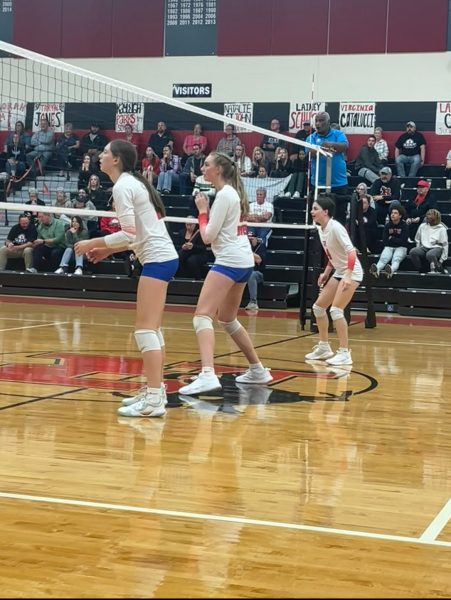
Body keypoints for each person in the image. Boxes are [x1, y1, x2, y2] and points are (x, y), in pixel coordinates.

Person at [74, 140, 179, 418]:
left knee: (145, 330)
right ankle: (155, 390)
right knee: (153, 330)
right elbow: (137, 235)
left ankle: (155, 399)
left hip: (157, 259)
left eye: (106, 152)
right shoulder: (132, 182)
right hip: (162, 256)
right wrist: (105, 250)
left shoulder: (123, 186)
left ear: (117, 159)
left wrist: (91, 242)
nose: (101, 156)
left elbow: (131, 235)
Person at [178, 151, 273, 396]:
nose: (202, 169)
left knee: (202, 316)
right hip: (242, 261)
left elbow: (208, 237)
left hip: (230, 260)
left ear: (219, 169)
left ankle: (207, 374)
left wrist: (202, 210)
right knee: (228, 319)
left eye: (206, 165)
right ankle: (258, 369)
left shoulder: (224, 195)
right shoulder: (233, 193)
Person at [305, 195, 363, 366]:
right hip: (339, 270)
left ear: (326, 211)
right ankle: (324, 347)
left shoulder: (336, 227)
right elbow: (333, 254)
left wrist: (348, 274)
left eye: (315, 209)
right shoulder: (321, 229)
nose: (312, 211)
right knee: (318, 308)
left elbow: (351, 252)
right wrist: (326, 273)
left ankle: (345, 353)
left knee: (336, 310)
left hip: (352, 272)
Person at [306, 112, 349, 224]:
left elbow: (344, 146)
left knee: (339, 218)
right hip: (318, 185)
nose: (318, 123)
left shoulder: (338, 134)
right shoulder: (311, 137)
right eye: (316, 121)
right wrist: (322, 148)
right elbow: (310, 152)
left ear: (328, 122)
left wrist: (329, 145)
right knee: (319, 219)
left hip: (338, 184)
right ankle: (319, 241)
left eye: (321, 121)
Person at [369, 205, 408, 278]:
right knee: (383, 259)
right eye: (392, 213)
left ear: (400, 216)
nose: (392, 214)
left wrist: (392, 238)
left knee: (396, 259)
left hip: (401, 247)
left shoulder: (404, 225)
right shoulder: (387, 225)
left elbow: (403, 241)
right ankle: (376, 269)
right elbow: (385, 240)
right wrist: (395, 240)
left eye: (395, 213)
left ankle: (391, 270)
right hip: (389, 246)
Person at [408, 209, 448, 274]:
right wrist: (418, 247)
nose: (427, 216)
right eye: (427, 214)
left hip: (437, 247)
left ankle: (439, 268)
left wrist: (441, 260)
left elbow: (445, 245)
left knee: (430, 254)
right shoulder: (422, 226)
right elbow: (417, 239)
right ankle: (421, 269)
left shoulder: (442, 229)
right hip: (424, 247)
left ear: (435, 217)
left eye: (429, 214)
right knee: (413, 252)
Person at [244, 231, 267, 310]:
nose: (249, 241)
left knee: (252, 274)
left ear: (256, 239)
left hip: (258, 274)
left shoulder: (261, 247)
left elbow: (259, 260)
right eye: (248, 239)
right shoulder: (244, 247)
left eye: (251, 239)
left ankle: (253, 302)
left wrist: (246, 250)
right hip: (244, 271)